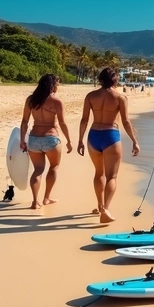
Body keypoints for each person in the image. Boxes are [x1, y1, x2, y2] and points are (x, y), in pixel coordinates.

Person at [78, 67, 140, 223]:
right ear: (115, 79)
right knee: (112, 176)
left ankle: (100, 205)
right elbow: (125, 121)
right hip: (110, 135)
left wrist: (80, 140)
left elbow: (84, 119)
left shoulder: (91, 96)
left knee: (99, 173)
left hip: (93, 136)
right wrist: (134, 141)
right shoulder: (120, 97)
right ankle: (105, 209)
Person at [19, 74, 72, 210]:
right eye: (57, 84)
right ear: (52, 85)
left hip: (34, 139)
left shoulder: (31, 100)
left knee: (37, 170)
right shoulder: (56, 101)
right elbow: (62, 123)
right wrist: (69, 141)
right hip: (51, 139)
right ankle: (46, 198)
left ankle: (35, 202)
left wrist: (22, 140)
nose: (58, 87)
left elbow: (24, 121)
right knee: (53, 167)